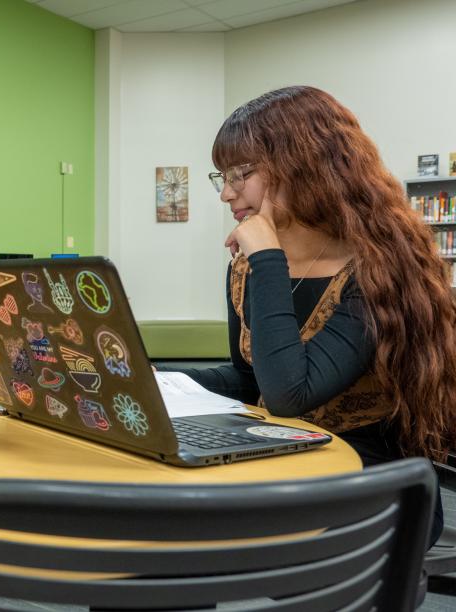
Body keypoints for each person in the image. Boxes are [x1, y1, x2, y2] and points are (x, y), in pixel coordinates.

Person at [180, 85, 456, 544]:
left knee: (188, 536)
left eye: (240, 174)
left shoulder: (378, 271)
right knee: (162, 535)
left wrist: (268, 258)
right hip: (288, 460)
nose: (226, 194)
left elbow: (290, 393)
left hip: (372, 484)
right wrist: (156, 379)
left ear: (303, 166)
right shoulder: (250, 264)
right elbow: (252, 381)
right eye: (221, 177)